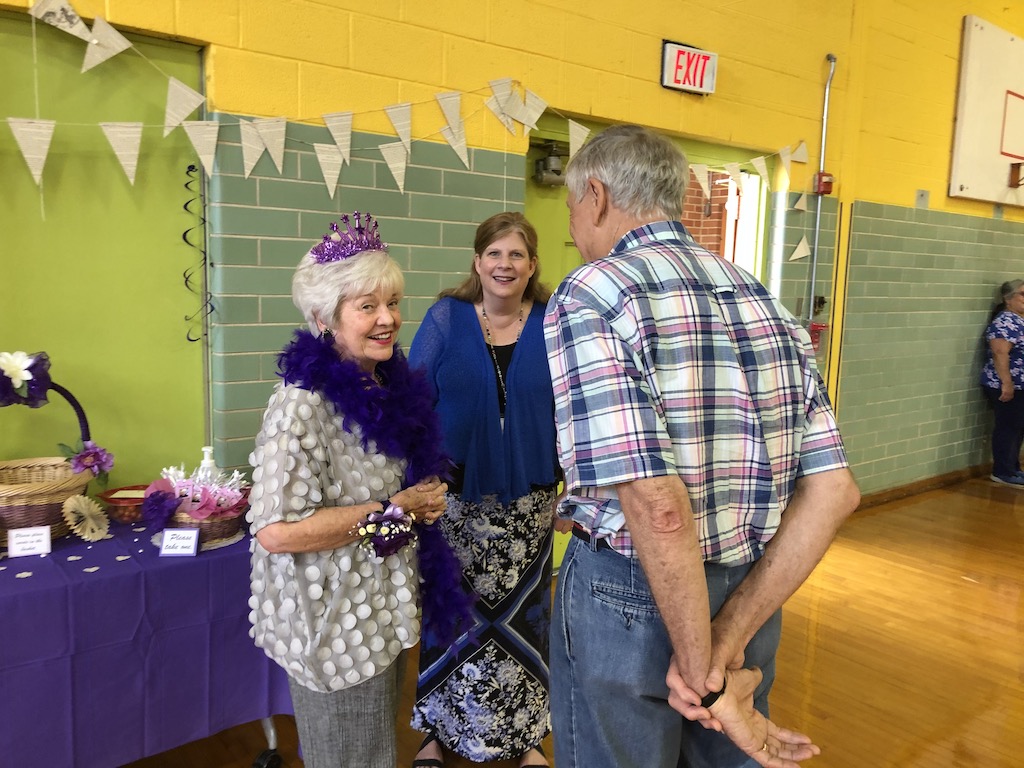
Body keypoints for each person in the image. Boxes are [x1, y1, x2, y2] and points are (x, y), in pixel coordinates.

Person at [543, 124, 862, 768]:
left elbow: (657, 505)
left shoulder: (594, 290)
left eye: (574, 208)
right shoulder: (763, 299)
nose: (575, 227)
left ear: (597, 197)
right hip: (749, 594)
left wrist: (704, 680)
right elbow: (834, 491)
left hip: (628, 594)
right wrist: (729, 639)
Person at [246, 212, 465, 768]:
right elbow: (275, 533)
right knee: (350, 756)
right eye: (367, 306)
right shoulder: (302, 404)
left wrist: (416, 502)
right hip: (331, 624)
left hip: (377, 615)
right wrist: (394, 508)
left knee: (372, 748)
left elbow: (388, 505)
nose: (388, 318)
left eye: (392, 302)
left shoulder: (384, 382)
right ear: (325, 317)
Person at [408, 212, 564, 768]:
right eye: (494, 254)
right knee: (450, 614)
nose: (505, 264)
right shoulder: (446, 319)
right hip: (452, 499)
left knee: (525, 615)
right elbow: (412, 401)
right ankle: (433, 731)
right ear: (477, 262)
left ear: (532, 265)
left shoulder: (553, 322)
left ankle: (526, 740)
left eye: (516, 255)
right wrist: (415, 478)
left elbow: (571, 409)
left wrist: (576, 487)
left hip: (530, 500)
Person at [980, 279, 1024, 486]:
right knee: (1008, 427)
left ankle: (1013, 468)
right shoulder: (1005, 322)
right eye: (1022, 294)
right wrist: (1007, 383)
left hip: (1021, 385)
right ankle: (1002, 471)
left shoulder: (1019, 320)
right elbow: (1000, 353)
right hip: (1006, 385)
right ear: (1008, 299)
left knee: (1018, 427)